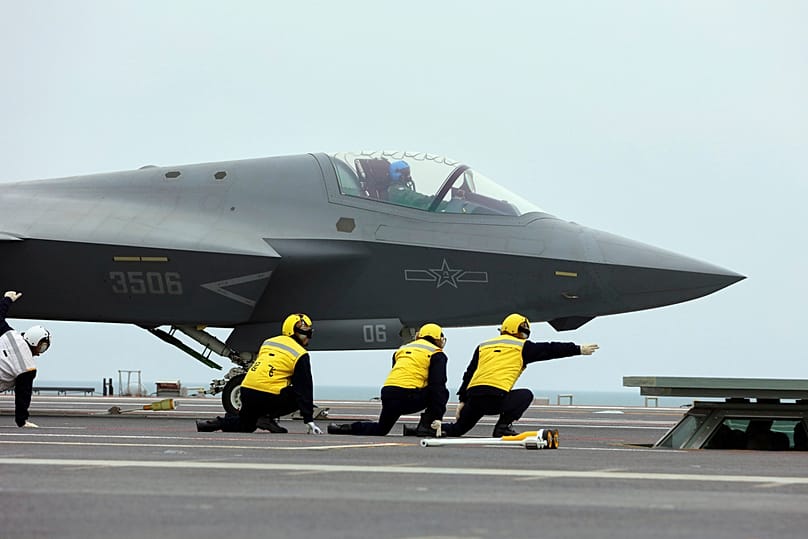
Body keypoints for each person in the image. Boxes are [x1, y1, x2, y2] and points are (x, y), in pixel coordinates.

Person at [442, 313, 599, 437]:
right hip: (496, 398)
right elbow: (550, 349)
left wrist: (462, 400)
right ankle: (503, 427)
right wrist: (578, 349)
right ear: (517, 331)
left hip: (474, 398)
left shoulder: (483, 346)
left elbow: (469, 374)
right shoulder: (522, 346)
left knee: (457, 429)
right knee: (525, 395)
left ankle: (433, 426)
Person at [196, 313, 323, 435]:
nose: (308, 337)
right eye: (305, 333)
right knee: (298, 394)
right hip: (268, 395)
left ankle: (211, 424)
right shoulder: (300, 354)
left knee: (246, 425)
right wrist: (309, 420)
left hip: (247, 390)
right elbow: (304, 387)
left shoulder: (268, 342)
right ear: (293, 332)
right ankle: (266, 417)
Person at [327, 323, 449, 436]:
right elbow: (437, 385)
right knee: (442, 392)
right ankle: (427, 427)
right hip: (408, 396)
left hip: (389, 394)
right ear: (438, 339)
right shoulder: (436, 354)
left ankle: (343, 428)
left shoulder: (402, 350)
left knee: (381, 429)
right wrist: (437, 417)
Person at [0, 291, 52, 428]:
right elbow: (23, 395)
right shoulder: (27, 366)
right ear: (35, 341)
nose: (40, 353)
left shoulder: (11, 335)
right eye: (42, 347)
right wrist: (22, 421)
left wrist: (7, 299)